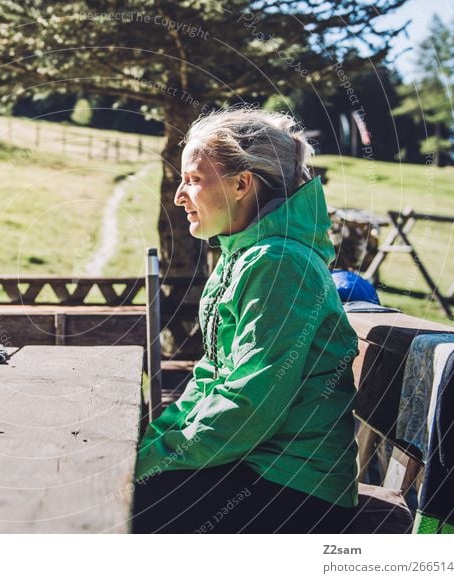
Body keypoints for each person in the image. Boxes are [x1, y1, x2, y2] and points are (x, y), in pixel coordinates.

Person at [133, 108, 360, 534]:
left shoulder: (277, 264)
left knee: (112, 513)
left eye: (194, 179)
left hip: (295, 488)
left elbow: (251, 404)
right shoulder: (244, 254)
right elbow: (211, 376)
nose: (180, 196)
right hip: (253, 463)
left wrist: (148, 462)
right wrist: (150, 445)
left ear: (242, 184)